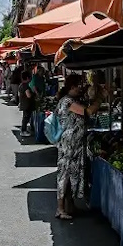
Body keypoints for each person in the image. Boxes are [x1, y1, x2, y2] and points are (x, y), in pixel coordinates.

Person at [54, 75, 89, 220]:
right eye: (78, 85)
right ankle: (60, 209)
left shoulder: (71, 100)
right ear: (72, 87)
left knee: (71, 175)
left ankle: (70, 205)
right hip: (68, 144)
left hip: (74, 144)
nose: (80, 88)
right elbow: (87, 112)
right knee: (64, 175)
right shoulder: (67, 102)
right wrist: (99, 98)